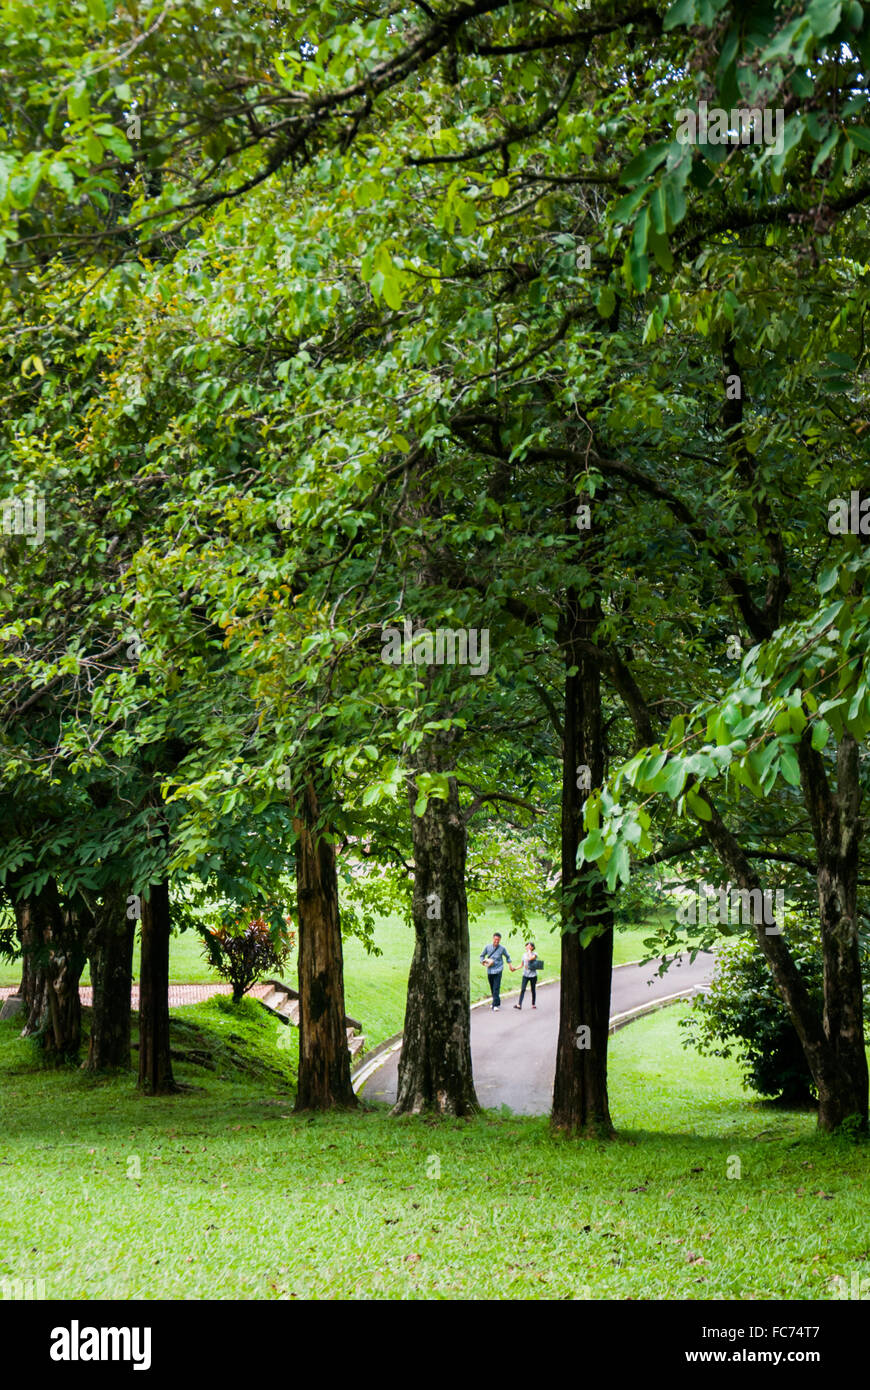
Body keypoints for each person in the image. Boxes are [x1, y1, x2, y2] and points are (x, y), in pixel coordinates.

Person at [479, 932, 511, 1010]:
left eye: (498, 940)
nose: (496, 941)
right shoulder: (487, 947)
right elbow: (482, 955)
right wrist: (483, 962)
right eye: (495, 939)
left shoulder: (502, 948)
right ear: (493, 938)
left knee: (496, 987)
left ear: (500, 940)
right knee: (492, 987)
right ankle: (497, 1001)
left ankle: (494, 1005)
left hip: (498, 970)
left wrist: (510, 965)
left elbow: (507, 956)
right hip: (490, 970)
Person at [510, 942, 539, 1010]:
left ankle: (533, 1004)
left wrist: (529, 951)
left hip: (533, 975)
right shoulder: (524, 955)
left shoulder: (535, 954)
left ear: (532, 947)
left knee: (533, 989)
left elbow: (530, 958)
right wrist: (515, 968)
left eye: (529, 946)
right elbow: (522, 965)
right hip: (525, 975)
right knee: (523, 989)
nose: (527, 947)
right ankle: (519, 1004)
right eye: (526, 946)